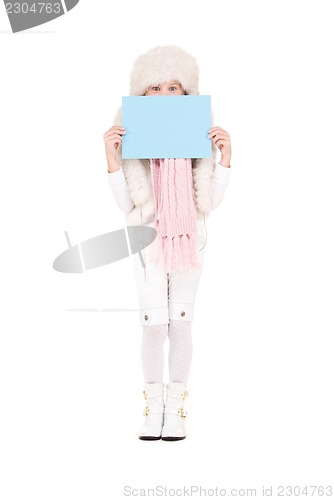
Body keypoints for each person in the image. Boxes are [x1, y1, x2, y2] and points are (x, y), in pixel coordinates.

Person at [103, 46, 232, 441]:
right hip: (147, 241)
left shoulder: (199, 137)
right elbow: (128, 204)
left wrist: (225, 156)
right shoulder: (133, 142)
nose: (162, 94)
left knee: (181, 321)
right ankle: (152, 407)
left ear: (186, 93)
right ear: (141, 96)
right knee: (153, 324)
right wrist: (112, 158)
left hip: (192, 237)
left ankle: (176, 409)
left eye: (172, 86)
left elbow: (210, 199)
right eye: (153, 87)